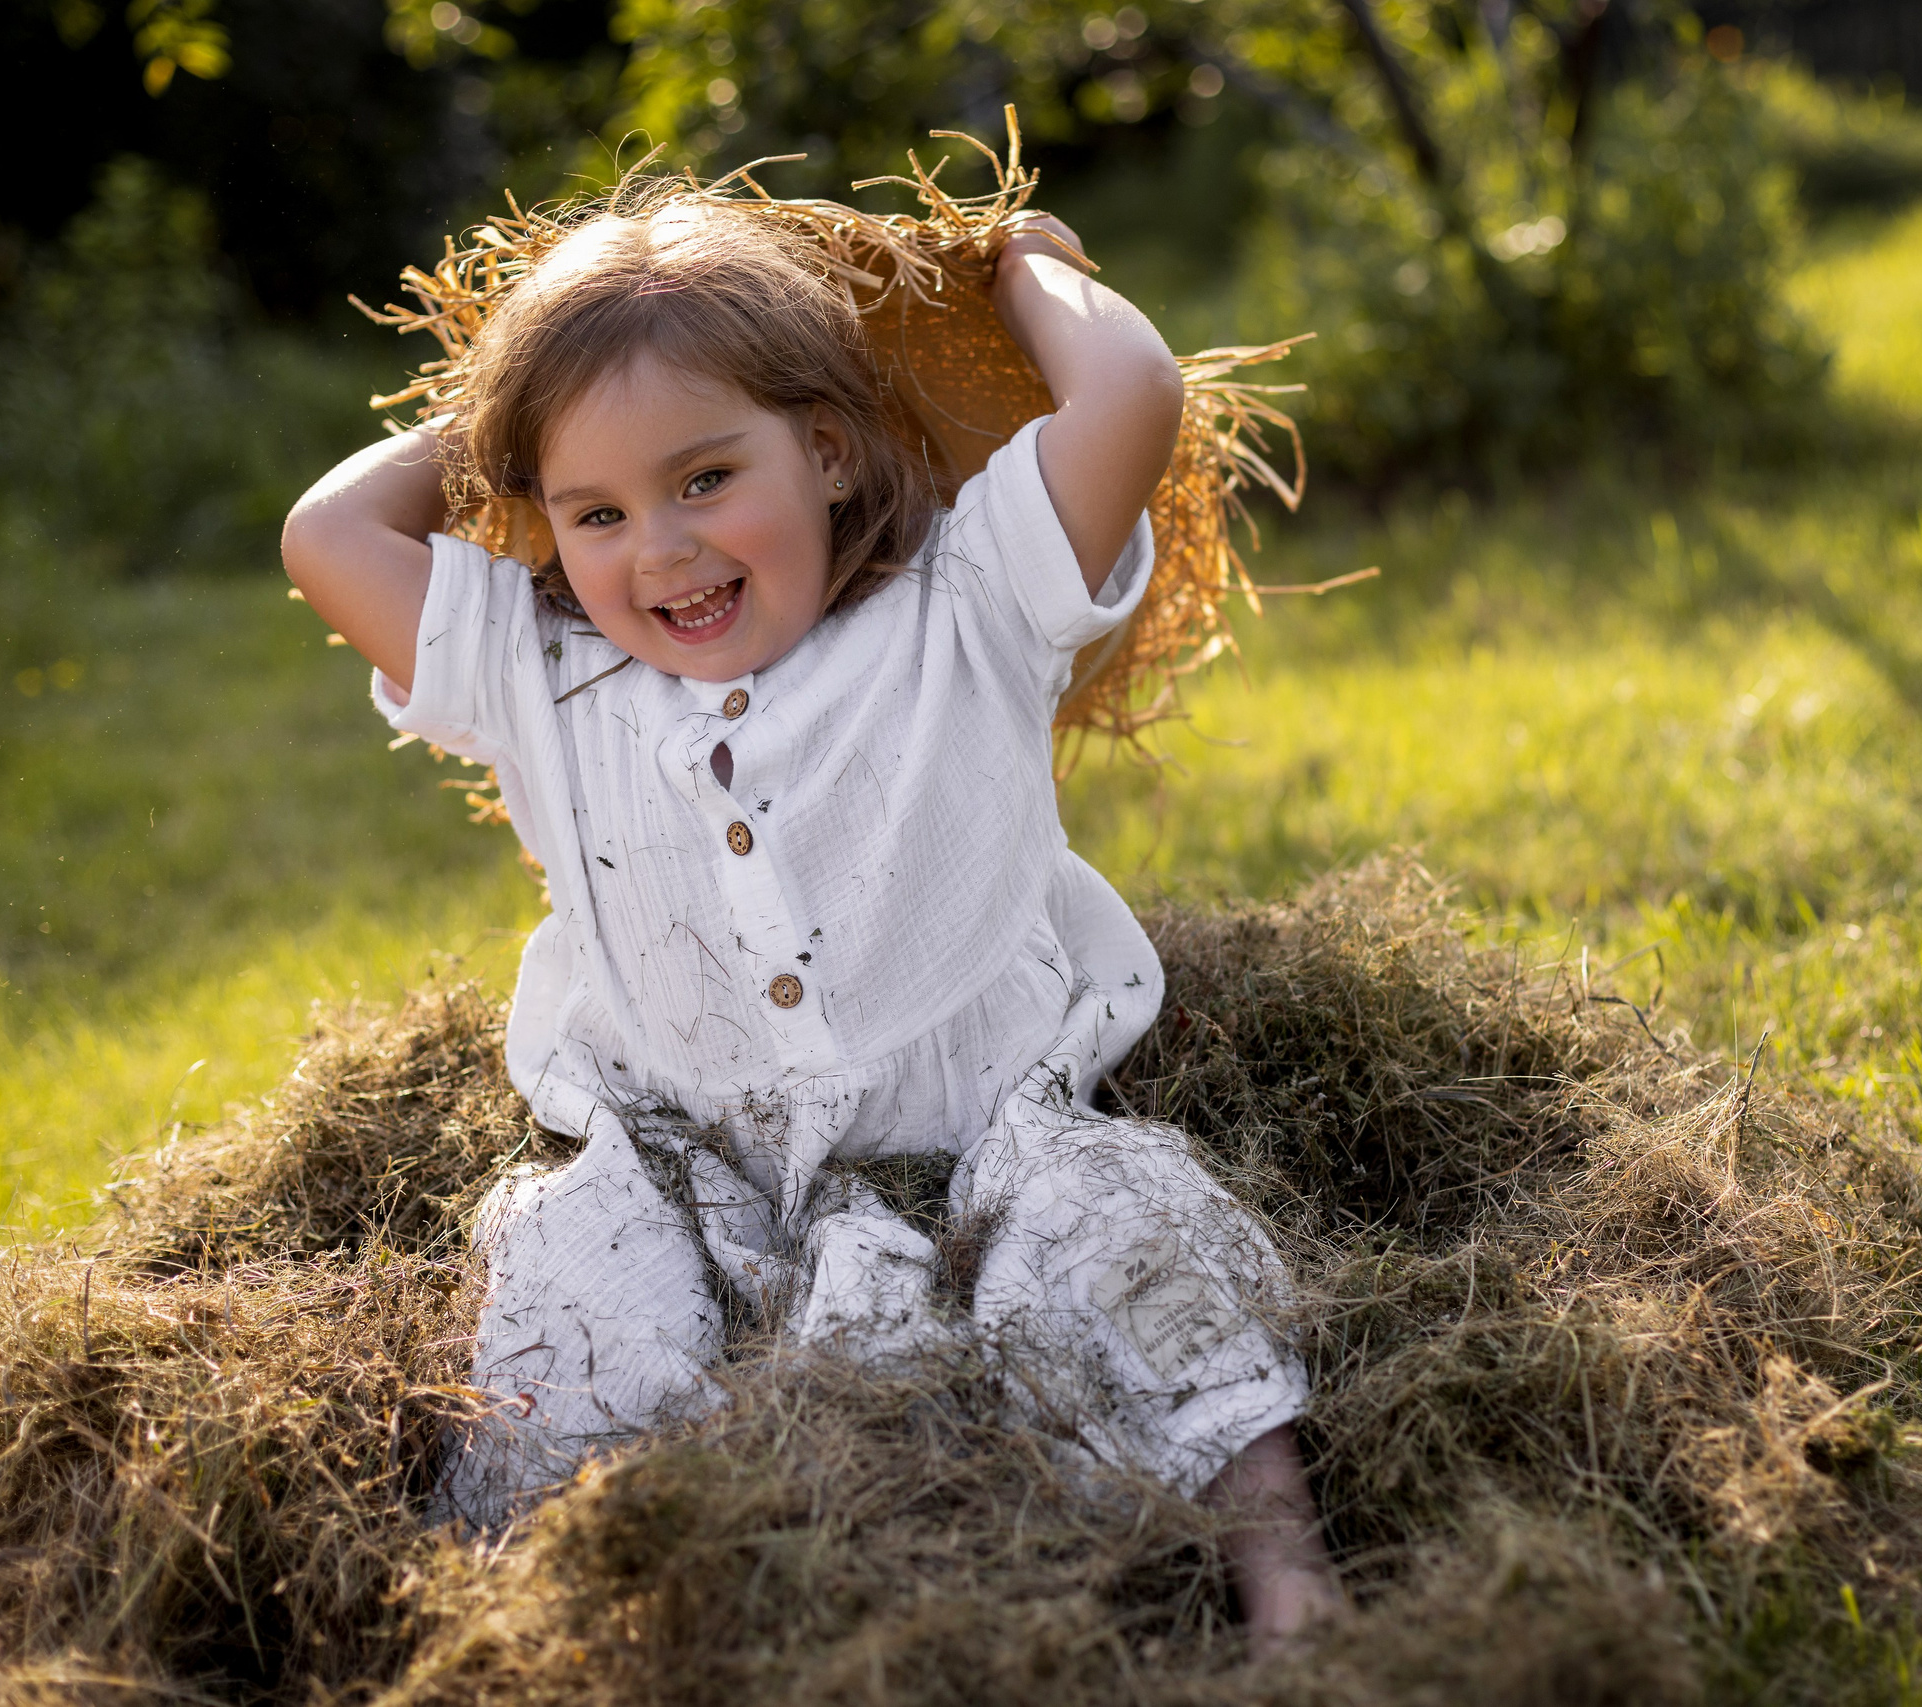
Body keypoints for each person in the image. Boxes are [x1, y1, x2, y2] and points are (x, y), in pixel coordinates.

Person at [279, 186, 1342, 1655]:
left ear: (830, 451)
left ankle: (1288, 1585)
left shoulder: (967, 604)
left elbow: (1131, 394)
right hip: (690, 1170)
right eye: (597, 511)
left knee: (1136, 1251)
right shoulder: (545, 674)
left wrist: (1026, 270)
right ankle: (531, 1631)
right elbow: (327, 531)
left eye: (706, 477)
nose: (661, 550)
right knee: (570, 1314)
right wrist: (516, 398)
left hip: (997, 1136)